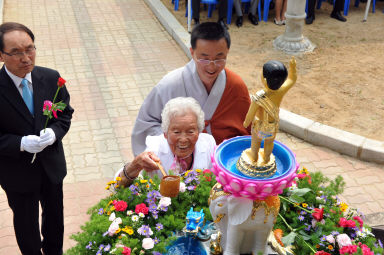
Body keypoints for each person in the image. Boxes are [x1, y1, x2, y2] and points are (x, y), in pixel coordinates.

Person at [0, 22, 74, 254]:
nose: (26, 58)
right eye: (16, 52)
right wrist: (20, 143)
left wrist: (54, 133)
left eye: (30, 49)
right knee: (26, 224)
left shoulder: (51, 78)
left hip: (51, 166)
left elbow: (64, 114)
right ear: (1, 55)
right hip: (17, 172)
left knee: (55, 219)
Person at [131, 22, 251, 156]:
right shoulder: (169, 85)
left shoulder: (235, 86)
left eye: (219, 59)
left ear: (227, 52)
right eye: (204, 59)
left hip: (223, 161)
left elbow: (247, 130)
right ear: (192, 52)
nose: (211, 67)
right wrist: (175, 141)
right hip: (178, 161)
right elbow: (145, 124)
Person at [118, 97, 216, 187]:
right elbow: (119, 186)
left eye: (190, 131)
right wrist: (134, 166)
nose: (183, 139)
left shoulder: (208, 143)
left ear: (199, 132)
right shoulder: (154, 151)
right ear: (165, 133)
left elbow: (217, 179)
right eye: (176, 132)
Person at [243, 58, 296, 164]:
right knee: (269, 142)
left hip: (260, 126)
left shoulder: (259, 96)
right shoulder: (281, 90)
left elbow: (251, 113)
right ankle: (266, 158)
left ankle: (254, 157)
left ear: (265, 80)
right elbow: (292, 80)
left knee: (256, 142)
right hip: (272, 126)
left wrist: (246, 123)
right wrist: (293, 68)